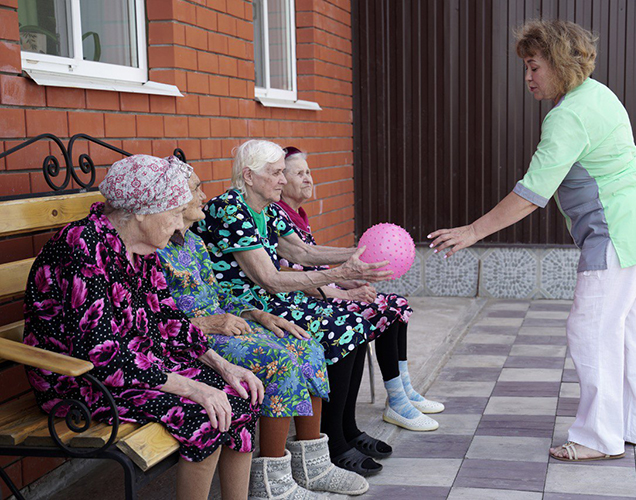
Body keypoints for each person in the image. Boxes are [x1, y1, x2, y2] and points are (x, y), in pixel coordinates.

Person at [429, 19, 636, 462]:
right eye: (525, 67)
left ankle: (598, 438)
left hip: (617, 233)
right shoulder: (598, 94)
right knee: (630, 332)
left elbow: (531, 195)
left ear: (559, 64)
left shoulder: (568, 116)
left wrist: (471, 232)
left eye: (533, 67)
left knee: (591, 332)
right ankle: (634, 427)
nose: (527, 77)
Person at [23, 155, 263, 500]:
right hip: (80, 379)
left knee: (240, 395)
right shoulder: (82, 246)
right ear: (141, 211)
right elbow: (101, 353)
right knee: (205, 415)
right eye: (174, 214)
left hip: (133, 364)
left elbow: (167, 319)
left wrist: (223, 366)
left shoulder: (141, 247)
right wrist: (193, 389)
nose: (181, 226)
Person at [157, 172, 370, 498]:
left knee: (306, 346)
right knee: (279, 360)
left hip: (229, 323)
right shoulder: (154, 250)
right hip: (193, 339)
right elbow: (156, 316)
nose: (203, 195)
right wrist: (214, 322)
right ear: (172, 200)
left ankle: (313, 465)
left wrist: (254, 313)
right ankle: (272, 482)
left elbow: (221, 295)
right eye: (196, 189)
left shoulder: (193, 241)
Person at [194, 139, 392, 477]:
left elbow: (302, 253)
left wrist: (358, 254)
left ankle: (347, 428)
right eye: (275, 173)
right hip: (245, 305)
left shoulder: (266, 207)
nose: (283, 180)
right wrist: (341, 274)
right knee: (340, 329)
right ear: (249, 176)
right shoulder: (230, 208)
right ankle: (334, 442)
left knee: (357, 322)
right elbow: (268, 279)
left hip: (271, 297)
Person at [275, 146, 444, 439]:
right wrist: (343, 293)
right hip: (303, 300)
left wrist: (349, 282)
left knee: (396, 306)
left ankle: (401, 392)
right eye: (299, 173)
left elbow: (313, 264)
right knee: (373, 315)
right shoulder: (277, 217)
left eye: (309, 172)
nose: (308, 179)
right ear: (280, 179)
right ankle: (394, 403)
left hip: (321, 290)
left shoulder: (298, 215)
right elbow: (292, 277)